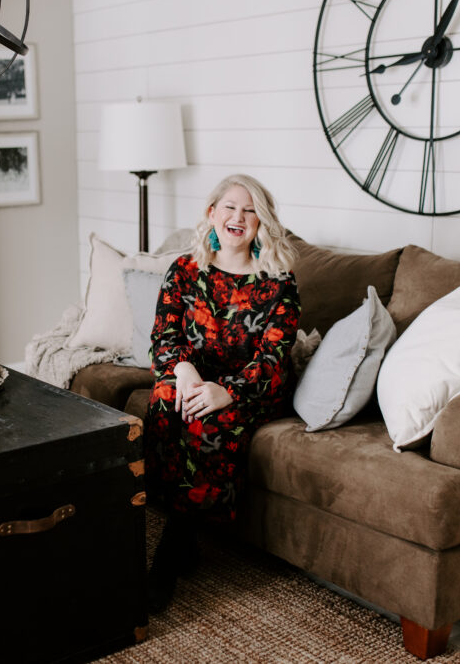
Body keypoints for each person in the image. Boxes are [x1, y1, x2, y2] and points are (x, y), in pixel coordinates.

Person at [144, 174, 301, 612]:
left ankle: (170, 551)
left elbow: (274, 360)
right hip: (192, 375)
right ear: (212, 213)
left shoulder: (278, 282)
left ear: (261, 222)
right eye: (229, 207)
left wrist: (227, 392)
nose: (238, 217)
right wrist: (186, 370)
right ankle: (185, 533)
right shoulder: (185, 269)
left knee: (208, 419)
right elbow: (163, 337)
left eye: (250, 210)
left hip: (251, 389)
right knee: (162, 398)